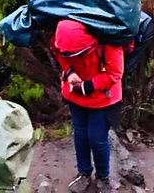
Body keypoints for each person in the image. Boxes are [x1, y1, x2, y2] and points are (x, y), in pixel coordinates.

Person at [53, 18, 124, 192]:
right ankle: (83, 173)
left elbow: (115, 74)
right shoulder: (63, 37)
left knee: (97, 139)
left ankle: (103, 176)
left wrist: (86, 87)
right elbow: (57, 50)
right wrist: (69, 72)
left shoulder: (109, 41)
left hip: (103, 98)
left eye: (75, 54)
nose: (71, 57)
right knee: (80, 135)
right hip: (75, 95)